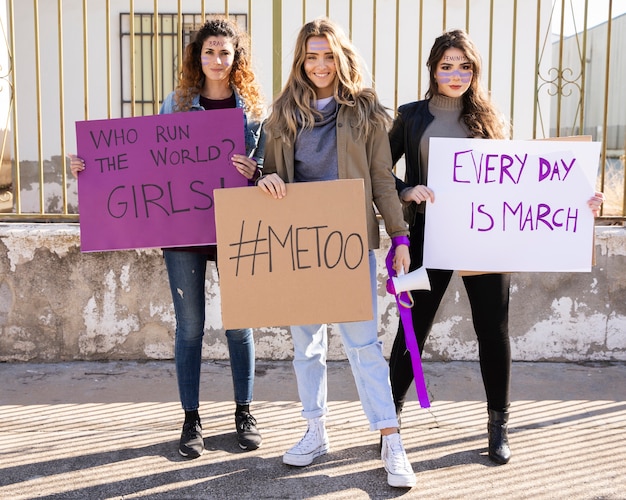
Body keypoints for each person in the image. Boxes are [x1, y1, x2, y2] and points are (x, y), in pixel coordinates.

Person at [386, 29, 606, 465]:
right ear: (433, 68)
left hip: (485, 237)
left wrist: (581, 200)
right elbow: (380, 173)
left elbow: (526, 182)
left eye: (464, 66)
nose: (456, 74)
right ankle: (390, 424)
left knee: (493, 330)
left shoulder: (490, 118)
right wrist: (408, 189)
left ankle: (498, 426)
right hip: (429, 237)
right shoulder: (411, 116)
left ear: (475, 70)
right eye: (447, 65)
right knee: (413, 332)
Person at [70, 17, 266, 458]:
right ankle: (191, 418)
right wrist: (91, 167)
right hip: (183, 231)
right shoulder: (174, 105)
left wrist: (255, 172)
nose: (217, 60)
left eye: (225, 52)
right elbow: (143, 162)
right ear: (198, 56)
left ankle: (244, 412)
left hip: (235, 229)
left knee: (240, 326)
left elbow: (269, 170)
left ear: (237, 58)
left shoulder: (252, 112)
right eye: (209, 51)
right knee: (190, 327)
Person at [257, 18, 416, 489]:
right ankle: (314, 430)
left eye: (328, 55)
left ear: (341, 57)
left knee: (363, 345)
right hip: (299, 246)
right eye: (312, 55)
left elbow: (382, 179)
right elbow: (273, 176)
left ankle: (391, 438)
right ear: (300, 61)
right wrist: (265, 180)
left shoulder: (365, 110)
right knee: (306, 346)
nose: (320, 64)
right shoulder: (283, 113)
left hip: (349, 244)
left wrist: (399, 235)